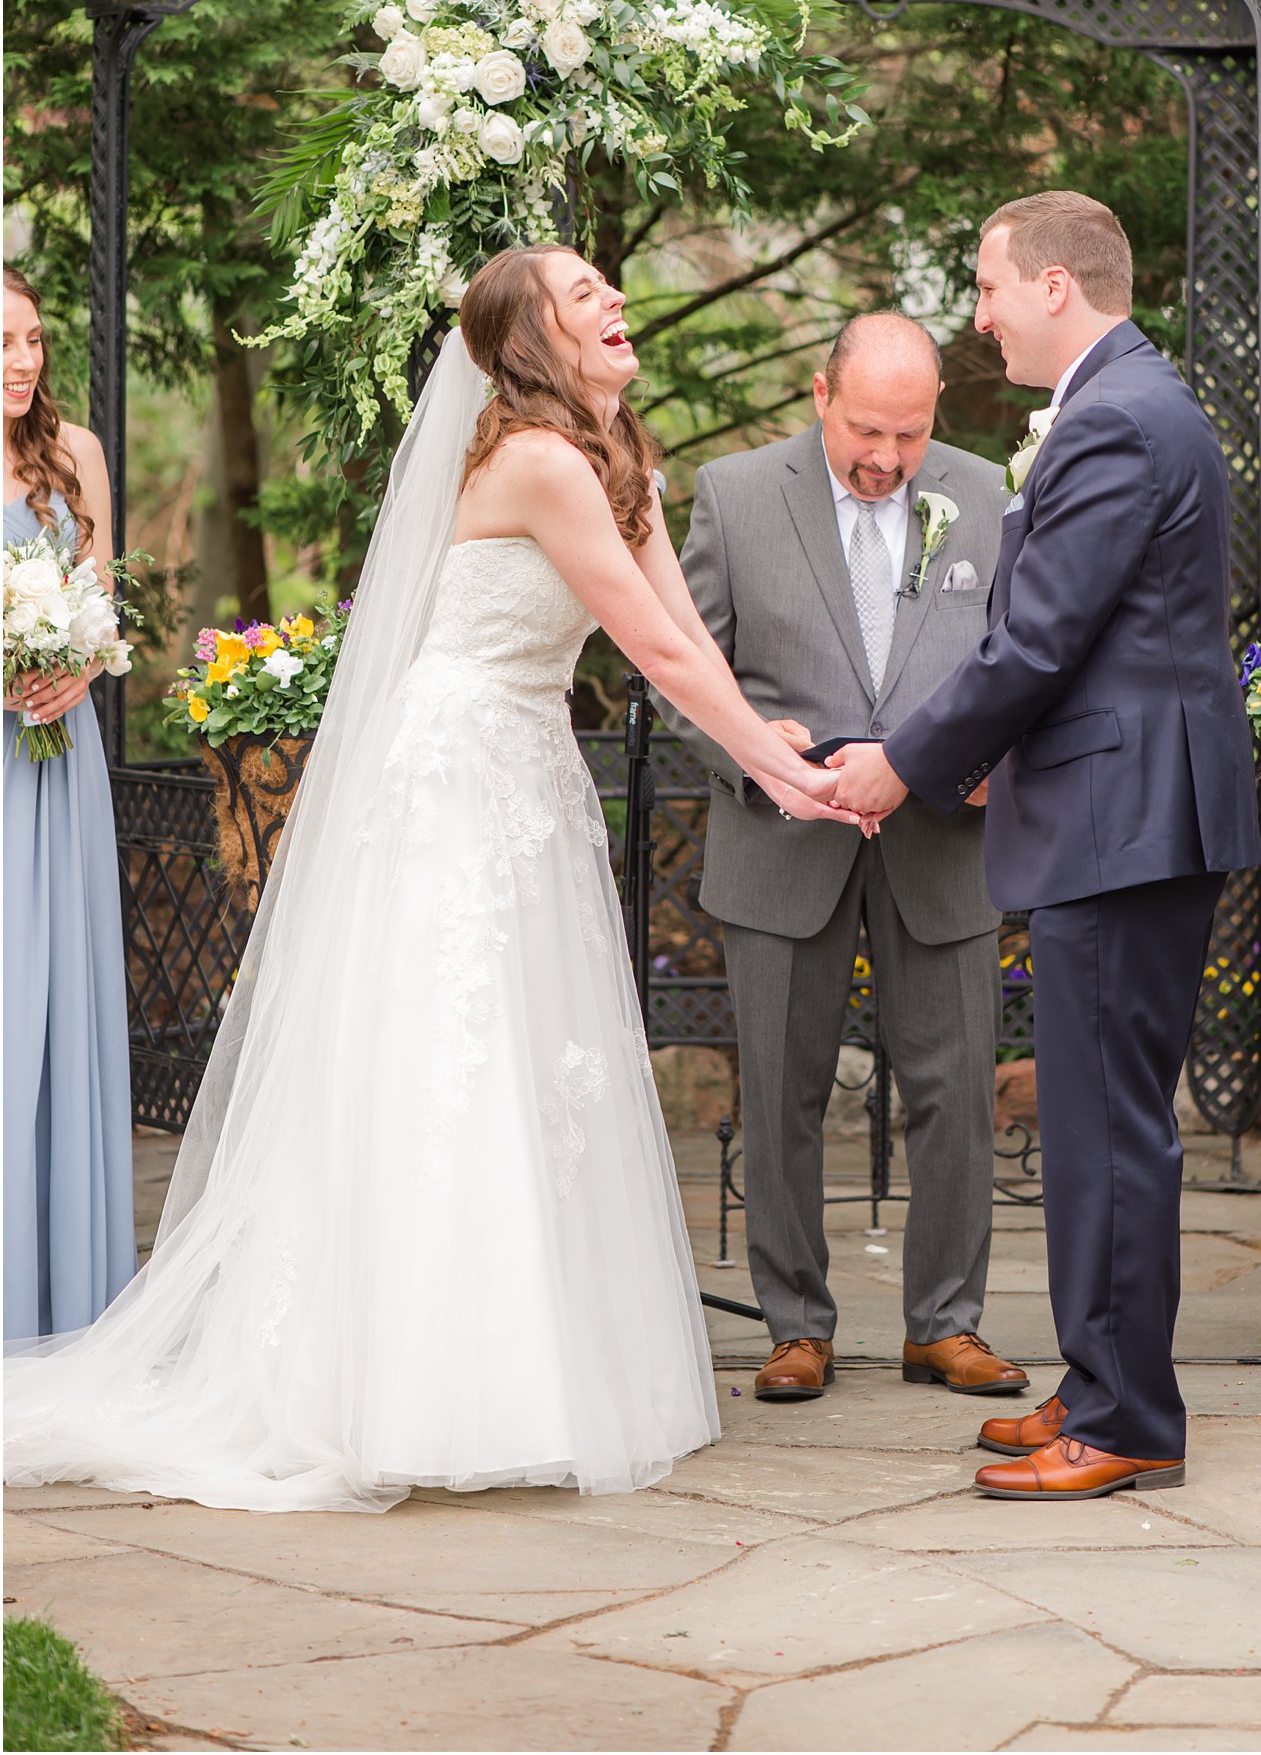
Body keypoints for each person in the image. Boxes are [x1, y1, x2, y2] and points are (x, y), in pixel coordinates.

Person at [5, 246, 858, 1514]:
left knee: (534, 1066)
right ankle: (406, 1389)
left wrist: (766, 736)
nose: (614, 302)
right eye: (585, 296)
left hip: (528, 770)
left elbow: (685, 629)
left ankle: (535, 1375)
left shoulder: (618, 456)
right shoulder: (533, 460)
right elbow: (644, 645)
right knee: (448, 1064)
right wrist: (778, 774)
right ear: (530, 343)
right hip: (456, 776)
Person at [831, 193, 1260, 1499]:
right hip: (1118, 814)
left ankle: (1127, 1422)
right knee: (1090, 1121)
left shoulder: (1120, 417)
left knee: (1110, 1131)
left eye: (989, 285)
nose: (980, 312)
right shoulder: (1124, 400)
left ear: (1058, 284)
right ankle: (1097, 1378)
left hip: (1123, 823)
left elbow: (1039, 644)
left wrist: (901, 764)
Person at [659, 314, 1029, 1405]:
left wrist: (978, 764)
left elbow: (1019, 659)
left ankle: (945, 1326)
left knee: (957, 1094)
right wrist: (746, 747)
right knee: (779, 1095)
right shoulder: (731, 494)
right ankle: (794, 1327)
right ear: (818, 395)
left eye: (910, 436)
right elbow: (679, 663)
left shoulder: (987, 495)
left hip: (942, 843)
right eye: (867, 429)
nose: (886, 457)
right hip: (782, 842)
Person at [3, 265, 136, 1343]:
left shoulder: (75, 455)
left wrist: (75, 668)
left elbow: (102, 595)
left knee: (62, 996)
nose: (24, 361)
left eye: (35, 339)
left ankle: (68, 1299)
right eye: (4, 342)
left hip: (61, 750)